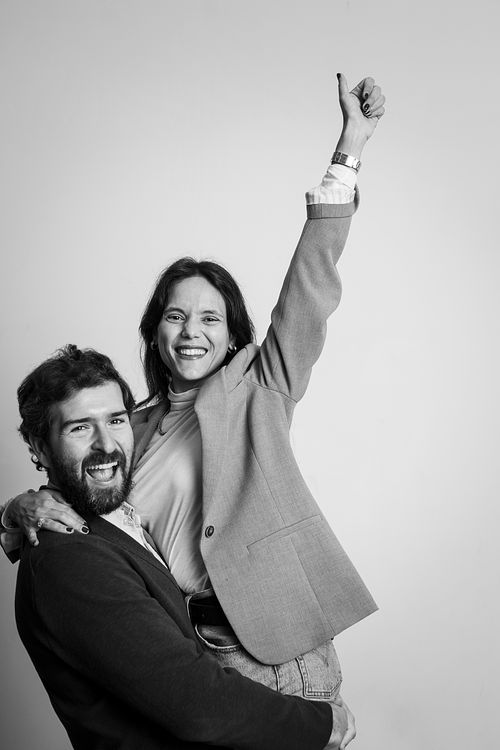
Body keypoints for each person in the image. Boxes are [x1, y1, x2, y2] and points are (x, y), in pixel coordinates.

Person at [3, 72, 385, 720]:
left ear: (232, 334)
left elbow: (309, 287)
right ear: (155, 331)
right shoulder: (128, 426)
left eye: (211, 319)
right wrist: (18, 508)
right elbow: (87, 498)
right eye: (176, 316)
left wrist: (348, 150)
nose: (191, 332)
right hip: (188, 650)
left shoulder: (260, 388)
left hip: (275, 652)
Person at [14, 345, 350, 750]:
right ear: (40, 447)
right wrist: (321, 725)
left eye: (116, 420)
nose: (106, 444)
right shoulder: (69, 558)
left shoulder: (112, 519)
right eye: (80, 428)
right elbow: (196, 702)